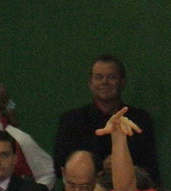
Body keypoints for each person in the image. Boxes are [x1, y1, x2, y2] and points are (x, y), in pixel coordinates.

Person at [53, 54, 159, 183]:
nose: (105, 82)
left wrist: (123, 165)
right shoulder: (71, 120)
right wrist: (99, 166)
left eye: (112, 77)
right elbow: (60, 167)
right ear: (90, 83)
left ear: (122, 82)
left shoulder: (140, 120)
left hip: (129, 190)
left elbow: (151, 169)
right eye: (98, 77)